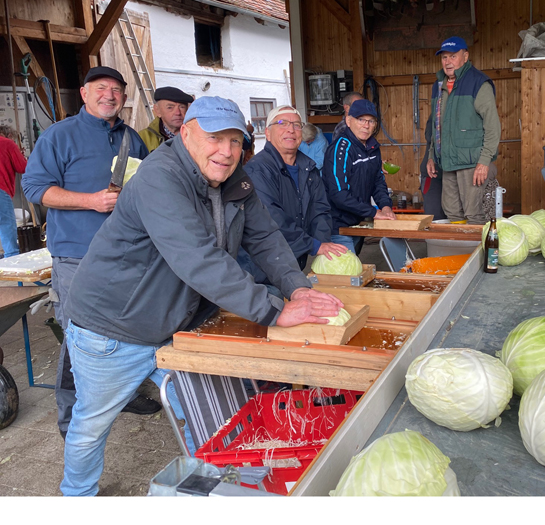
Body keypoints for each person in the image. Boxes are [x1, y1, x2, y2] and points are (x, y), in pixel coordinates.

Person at [59, 96, 343, 496]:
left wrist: (297, 288)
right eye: (214, 138)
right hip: (113, 326)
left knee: (206, 416)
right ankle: (76, 498)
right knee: (91, 426)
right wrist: (274, 311)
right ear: (186, 132)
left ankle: (212, 493)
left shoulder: (234, 178)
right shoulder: (161, 177)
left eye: (234, 141)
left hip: (178, 322)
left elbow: (264, 237)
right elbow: (199, 259)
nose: (225, 152)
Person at [21, 66, 156, 441]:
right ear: (83, 93)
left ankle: (121, 395)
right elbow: (34, 188)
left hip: (128, 256)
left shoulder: (131, 139)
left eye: (116, 90)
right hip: (77, 258)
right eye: (101, 88)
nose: (109, 95)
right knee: (79, 339)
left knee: (125, 331)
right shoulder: (58, 136)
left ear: (124, 98)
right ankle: (71, 422)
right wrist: (90, 202)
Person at [245, 106, 347, 281]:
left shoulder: (309, 168)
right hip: (260, 268)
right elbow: (271, 217)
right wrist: (312, 245)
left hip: (292, 264)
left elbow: (320, 209)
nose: (290, 129)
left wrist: (322, 243)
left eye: (296, 125)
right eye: (282, 123)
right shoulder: (257, 170)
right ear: (268, 133)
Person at [425, 36, 501, 225]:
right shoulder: (439, 85)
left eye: (453, 56)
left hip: (472, 163)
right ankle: (460, 253)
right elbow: (437, 124)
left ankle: (477, 253)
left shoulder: (478, 83)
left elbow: (492, 126)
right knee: (452, 211)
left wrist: (484, 162)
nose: (448, 62)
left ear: (465, 56)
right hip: (448, 162)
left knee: (474, 212)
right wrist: (431, 155)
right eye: (444, 58)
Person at [323, 99, 396, 253]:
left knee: (354, 267)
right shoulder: (339, 149)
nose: (366, 125)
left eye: (371, 121)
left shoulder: (372, 147)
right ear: (349, 121)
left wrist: (386, 206)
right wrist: (374, 212)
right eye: (361, 119)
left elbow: (378, 181)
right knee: (348, 272)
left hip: (358, 221)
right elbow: (339, 195)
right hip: (337, 224)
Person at [138, 86, 194, 153]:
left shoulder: (196, 134)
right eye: (170, 107)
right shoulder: (142, 138)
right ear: (157, 110)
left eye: (182, 107)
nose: (178, 113)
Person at [0, 125, 27, 258]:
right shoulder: (8, 143)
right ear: (10, 135)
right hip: (1, 189)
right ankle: (12, 257)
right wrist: (22, 156)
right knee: (6, 225)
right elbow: (22, 167)